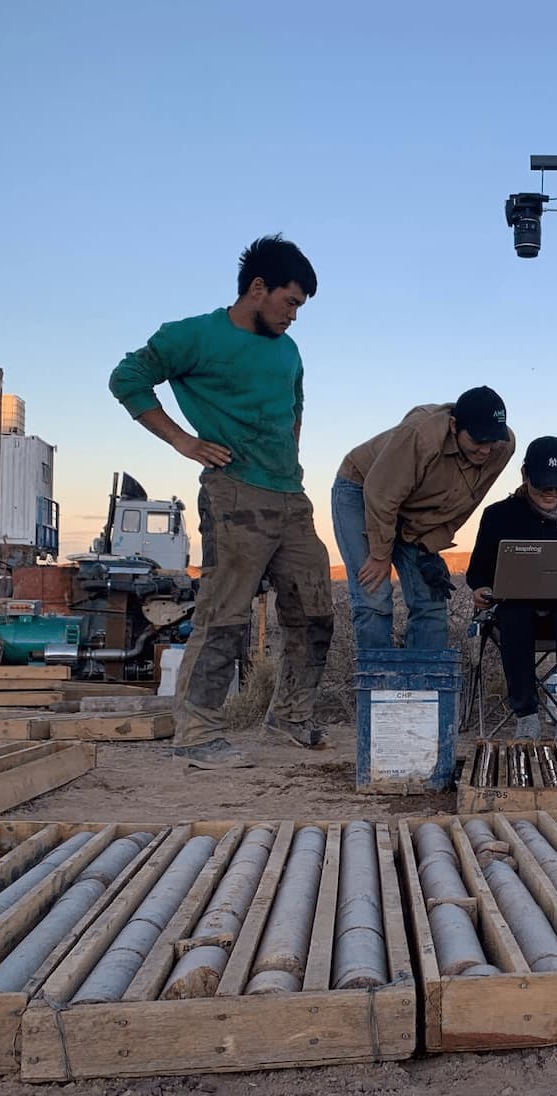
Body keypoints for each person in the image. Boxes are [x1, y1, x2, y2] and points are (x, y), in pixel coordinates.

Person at [109, 234, 334, 770]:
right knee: (224, 615)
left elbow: (295, 407)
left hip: (289, 497)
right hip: (234, 494)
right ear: (258, 288)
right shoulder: (194, 336)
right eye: (290, 302)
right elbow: (127, 379)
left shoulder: (288, 350)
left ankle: (290, 715)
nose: (294, 316)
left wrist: (289, 459)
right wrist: (184, 442)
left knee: (316, 610)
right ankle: (197, 729)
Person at [332, 388, 514, 650]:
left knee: (431, 599)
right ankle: (378, 684)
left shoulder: (503, 447)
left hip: (413, 509)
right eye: (478, 440)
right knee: (374, 597)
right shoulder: (421, 434)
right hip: (362, 490)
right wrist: (380, 554)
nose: (486, 450)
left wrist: (429, 546)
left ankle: (423, 685)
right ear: (454, 426)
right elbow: (382, 494)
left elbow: (465, 502)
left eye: (492, 441)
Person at [466, 436, 557, 742]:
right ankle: (526, 716)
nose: (551, 492)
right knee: (514, 615)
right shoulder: (499, 515)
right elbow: (477, 574)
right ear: (525, 475)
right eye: (542, 484)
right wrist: (481, 590)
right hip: (517, 610)